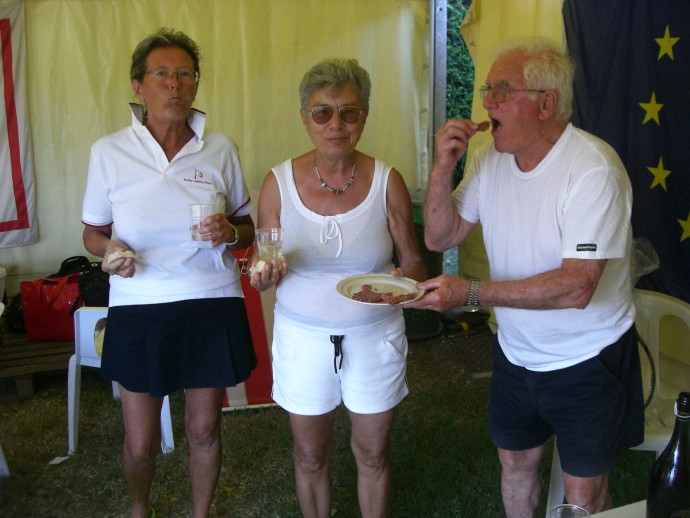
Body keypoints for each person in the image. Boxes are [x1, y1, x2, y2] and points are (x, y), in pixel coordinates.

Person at [408, 38, 644, 516]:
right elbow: (440, 237)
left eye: (502, 89)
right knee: (515, 460)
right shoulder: (489, 158)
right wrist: (441, 169)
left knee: (584, 495)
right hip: (517, 354)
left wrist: (471, 292)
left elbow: (578, 286)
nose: (487, 101)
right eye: (486, 89)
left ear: (546, 103)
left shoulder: (592, 169)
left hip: (588, 358)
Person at [81, 28, 257, 518]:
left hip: (211, 297)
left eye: (185, 74)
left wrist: (230, 232)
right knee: (139, 443)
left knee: (204, 429)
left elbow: (248, 228)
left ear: (196, 85)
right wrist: (108, 249)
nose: (174, 85)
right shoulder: (109, 151)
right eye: (162, 74)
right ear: (138, 86)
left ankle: (201, 513)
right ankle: (141, 508)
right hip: (139, 303)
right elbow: (92, 232)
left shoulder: (220, 148)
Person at [249, 58, 426, 518]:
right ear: (304, 117)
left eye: (349, 112)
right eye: (322, 112)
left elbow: (412, 261)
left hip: (374, 335)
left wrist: (404, 285)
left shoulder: (388, 182)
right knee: (310, 455)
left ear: (364, 115)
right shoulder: (278, 182)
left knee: (372, 454)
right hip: (302, 338)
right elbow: (261, 258)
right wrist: (264, 274)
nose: (335, 124)